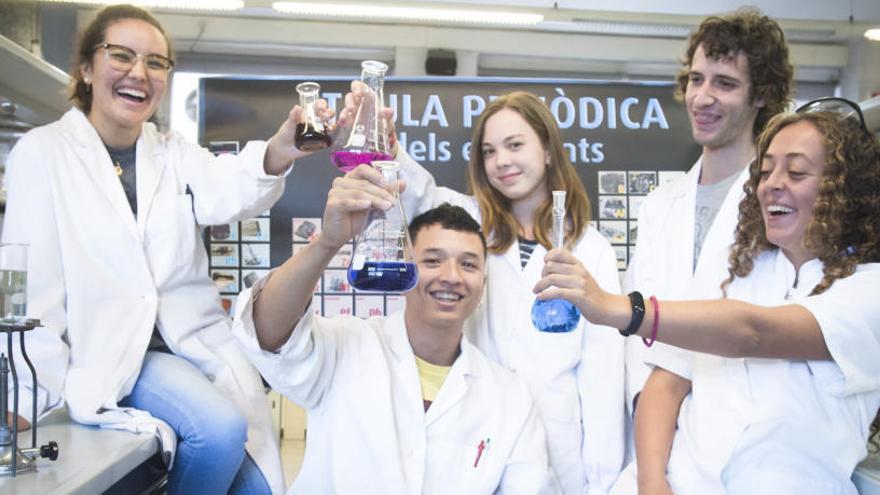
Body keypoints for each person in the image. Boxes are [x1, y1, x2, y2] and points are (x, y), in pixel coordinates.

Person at [2, 4, 329, 493]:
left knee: (258, 487)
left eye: (156, 62)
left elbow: (229, 187)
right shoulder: (44, 154)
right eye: (121, 55)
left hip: (189, 345)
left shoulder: (171, 151)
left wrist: (283, 147)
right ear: (86, 69)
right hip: (108, 352)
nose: (140, 73)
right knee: (219, 434)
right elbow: (29, 285)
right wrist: (24, 393)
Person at [535, 107, 880, 494]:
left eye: (797, 172)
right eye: (765, 171)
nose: (772, 185)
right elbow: (666, 380)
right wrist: (652, 483)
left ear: (844, 190)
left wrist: (616, 308)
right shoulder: (735, 268)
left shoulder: (870, 291)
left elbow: (752, 331)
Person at [339, 89, 624, 493]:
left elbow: (604, 376)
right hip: (471, 434)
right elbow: (418, 193)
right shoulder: (469, 224)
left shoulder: (590, 249)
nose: (501, 161)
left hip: (560, 451)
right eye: (489, 152)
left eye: (515, 145)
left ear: (547, 151)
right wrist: (388, 146)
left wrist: (605, 482)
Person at [231, 176, 560, 493]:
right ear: (404, 268)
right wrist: (328, 243)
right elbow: (267, 332)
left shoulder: (510, 398)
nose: (451, 276)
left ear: (482, 286)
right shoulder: (347, 347)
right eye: (433, 260)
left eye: (469, 265)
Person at [621, 6, 792, 454]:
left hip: (747, 440)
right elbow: (635, 329)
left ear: (762, 95)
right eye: (697, 79)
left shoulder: (782, 204)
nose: (702, 97)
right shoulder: (660, 206)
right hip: (657, 439)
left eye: (725, 83)